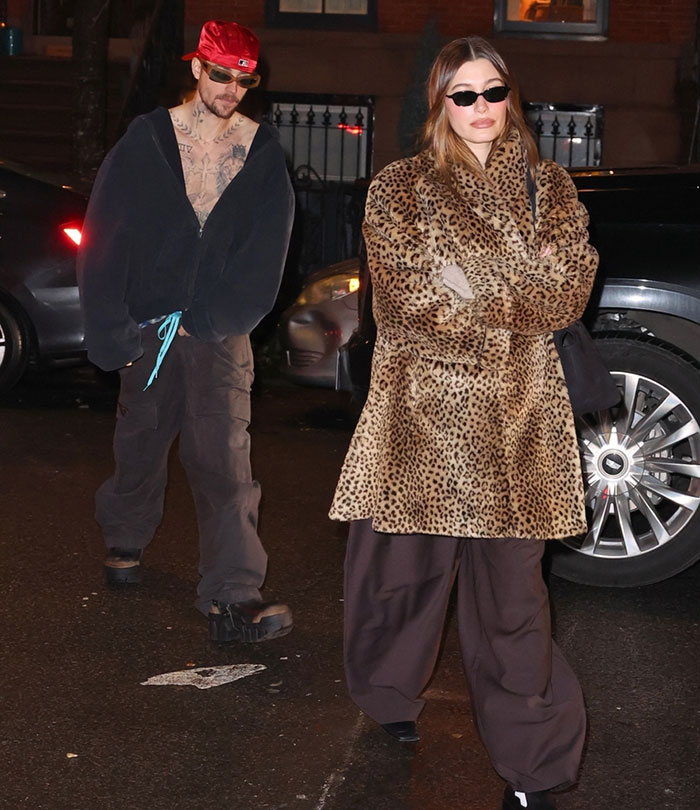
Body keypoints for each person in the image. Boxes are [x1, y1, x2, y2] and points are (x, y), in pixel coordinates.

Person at [329, 36, 598, 810]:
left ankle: (536, 766)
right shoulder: (400, 188)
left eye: (494, 91)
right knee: (400, 584)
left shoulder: (551, 188)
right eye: (464, 95)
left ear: (511, 96)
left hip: (522, 425)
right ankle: (386, 693)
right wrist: (514, 284)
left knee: (515, 607)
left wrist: (469, 282)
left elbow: (566, 294)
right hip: (424, 421)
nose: (482, 108)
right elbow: (409, 301)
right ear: (440, 104)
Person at [77, 20, 295, 644]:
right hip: (147, 326)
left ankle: (233, 595)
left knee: (223, 456)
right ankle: (124, 534)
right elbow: (104, 237)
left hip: (218, 334)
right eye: (220, 74)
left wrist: (220, 319)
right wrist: (110, 330)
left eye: (243, 80)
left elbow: (266, 254)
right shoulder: (146, 141)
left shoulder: (261, 153)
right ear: (196, 67)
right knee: (141, 441)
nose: (230, 89)